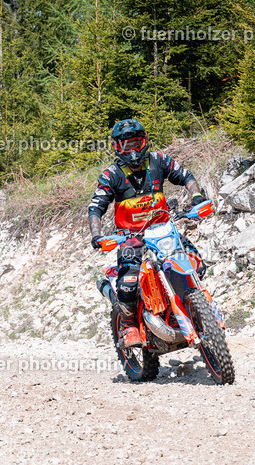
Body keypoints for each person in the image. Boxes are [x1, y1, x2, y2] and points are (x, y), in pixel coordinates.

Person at [88, 118, 208, 348]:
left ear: (144, 142)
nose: (132, 151)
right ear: (117, 148)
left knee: (197, 264)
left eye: (136, 144)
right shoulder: (111, 174)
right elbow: (96, 207)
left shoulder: (159, 161)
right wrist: (97, 235)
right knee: (128, 282)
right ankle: (129, 326)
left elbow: (186, 175)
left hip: (164, 231)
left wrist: (196, 197)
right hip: (130, 238)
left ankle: (191, 307)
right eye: (126, 146)